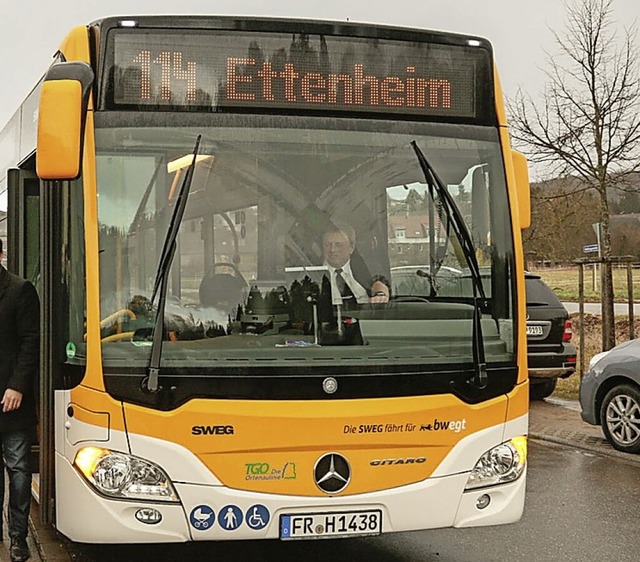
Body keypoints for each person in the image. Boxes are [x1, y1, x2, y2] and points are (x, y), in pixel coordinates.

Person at [0, 238, 40, 562]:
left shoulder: (20, 289)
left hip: (12, 399)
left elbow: (30, 343)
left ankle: (18, 537)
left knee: (19, 469)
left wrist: (17, 386)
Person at [321, 222, 389, 306]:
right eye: (328, 245)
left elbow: (379, 283)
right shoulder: (312, 274)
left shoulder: (364, 269)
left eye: (339, 245)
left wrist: (380, 295)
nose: (333, 250)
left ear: (351, 247)